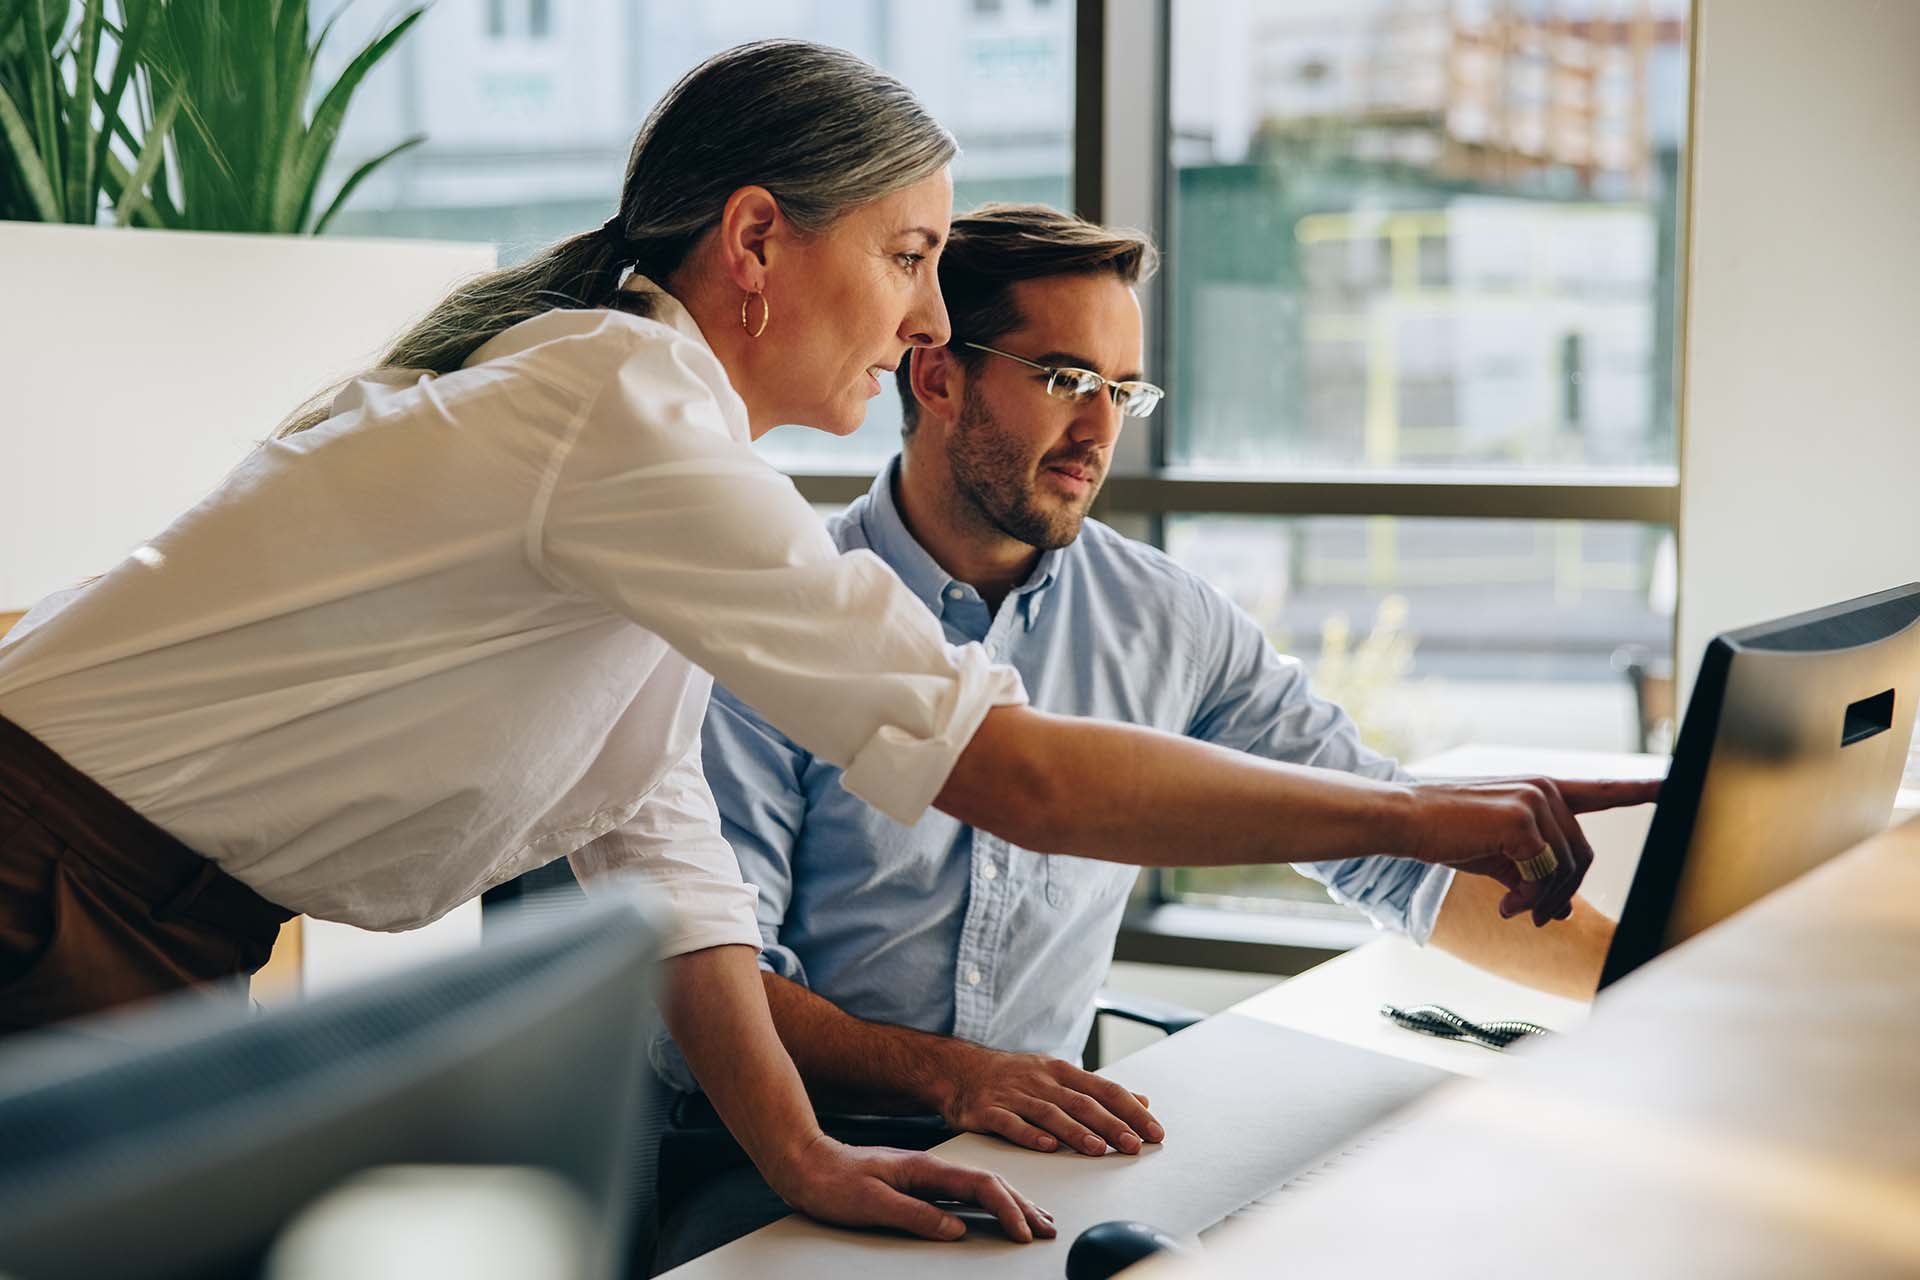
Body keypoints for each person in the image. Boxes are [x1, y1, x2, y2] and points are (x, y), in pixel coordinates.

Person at [0, 41, 1647, 1247]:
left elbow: (655, 857)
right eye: (911, 258)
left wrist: (801, 1161)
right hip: (41, 882)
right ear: (759, 242)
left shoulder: (648, 448)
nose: (929, 320)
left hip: (143, 918)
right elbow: (1010, 773)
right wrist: (1415, 813)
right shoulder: (620, 407)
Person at [646, 203, 1635, 1259]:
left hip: (1039, 1149)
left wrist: (1647, 992)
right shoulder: (778, 611)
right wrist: (959, 1073)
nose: (1102, 431)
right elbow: (716, 974)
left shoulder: (1166, 619)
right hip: (777, 1152)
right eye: (1068, 379)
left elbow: (1395, 852)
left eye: (1124, 391)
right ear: (936, 376)